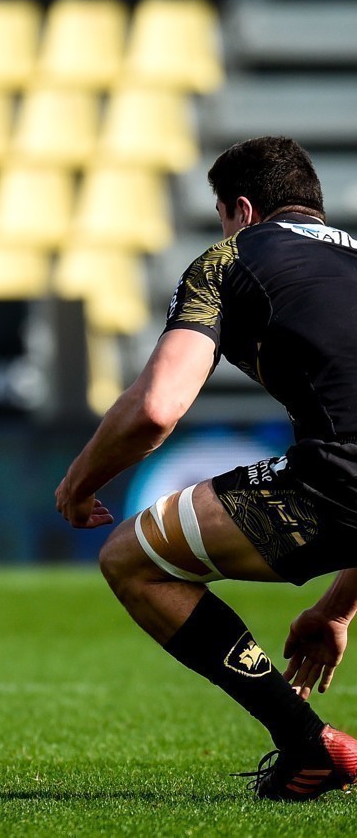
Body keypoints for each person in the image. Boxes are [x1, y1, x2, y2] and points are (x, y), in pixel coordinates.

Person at [56, 136, 357, 801]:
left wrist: (79, 482)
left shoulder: (228, 260)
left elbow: (157, 408)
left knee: (131, 559)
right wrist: (336, 610)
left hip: (337, 480)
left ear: (241, 210)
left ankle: (306, 742)